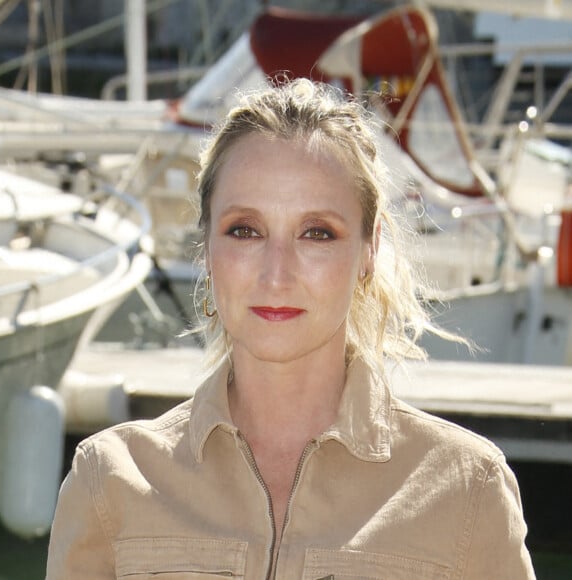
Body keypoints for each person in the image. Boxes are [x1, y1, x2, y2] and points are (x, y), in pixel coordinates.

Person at [46, 78, 535, 579]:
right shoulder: (110, 480)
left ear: (369, 248)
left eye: (316, 233)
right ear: (208, 248)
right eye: (246, 230)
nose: (276, 274)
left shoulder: (467, 490)